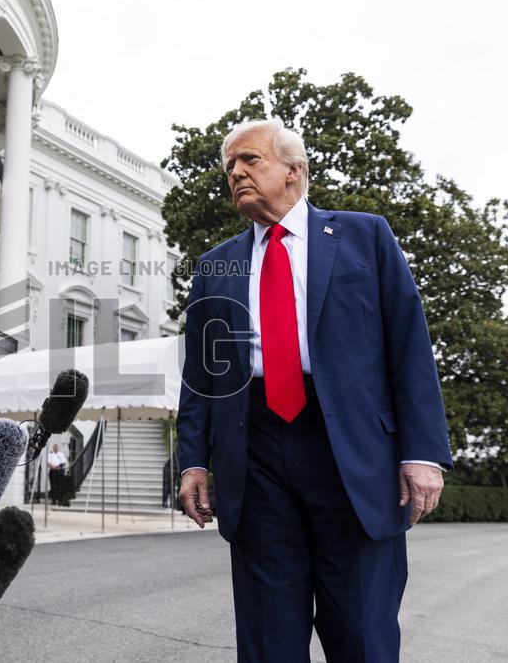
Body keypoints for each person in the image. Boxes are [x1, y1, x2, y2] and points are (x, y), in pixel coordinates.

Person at [177, 118, 452, 662]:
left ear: (294, 170)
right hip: (254, 451)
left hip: (351, 451)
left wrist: (422, 452)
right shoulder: (217, 265)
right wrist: (192, 462)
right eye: (229, 165)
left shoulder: (364, 236)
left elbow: (408, 346)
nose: (235, 173)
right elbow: (203, 378)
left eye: (249, 160)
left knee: (362, 631)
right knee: (267, 633)